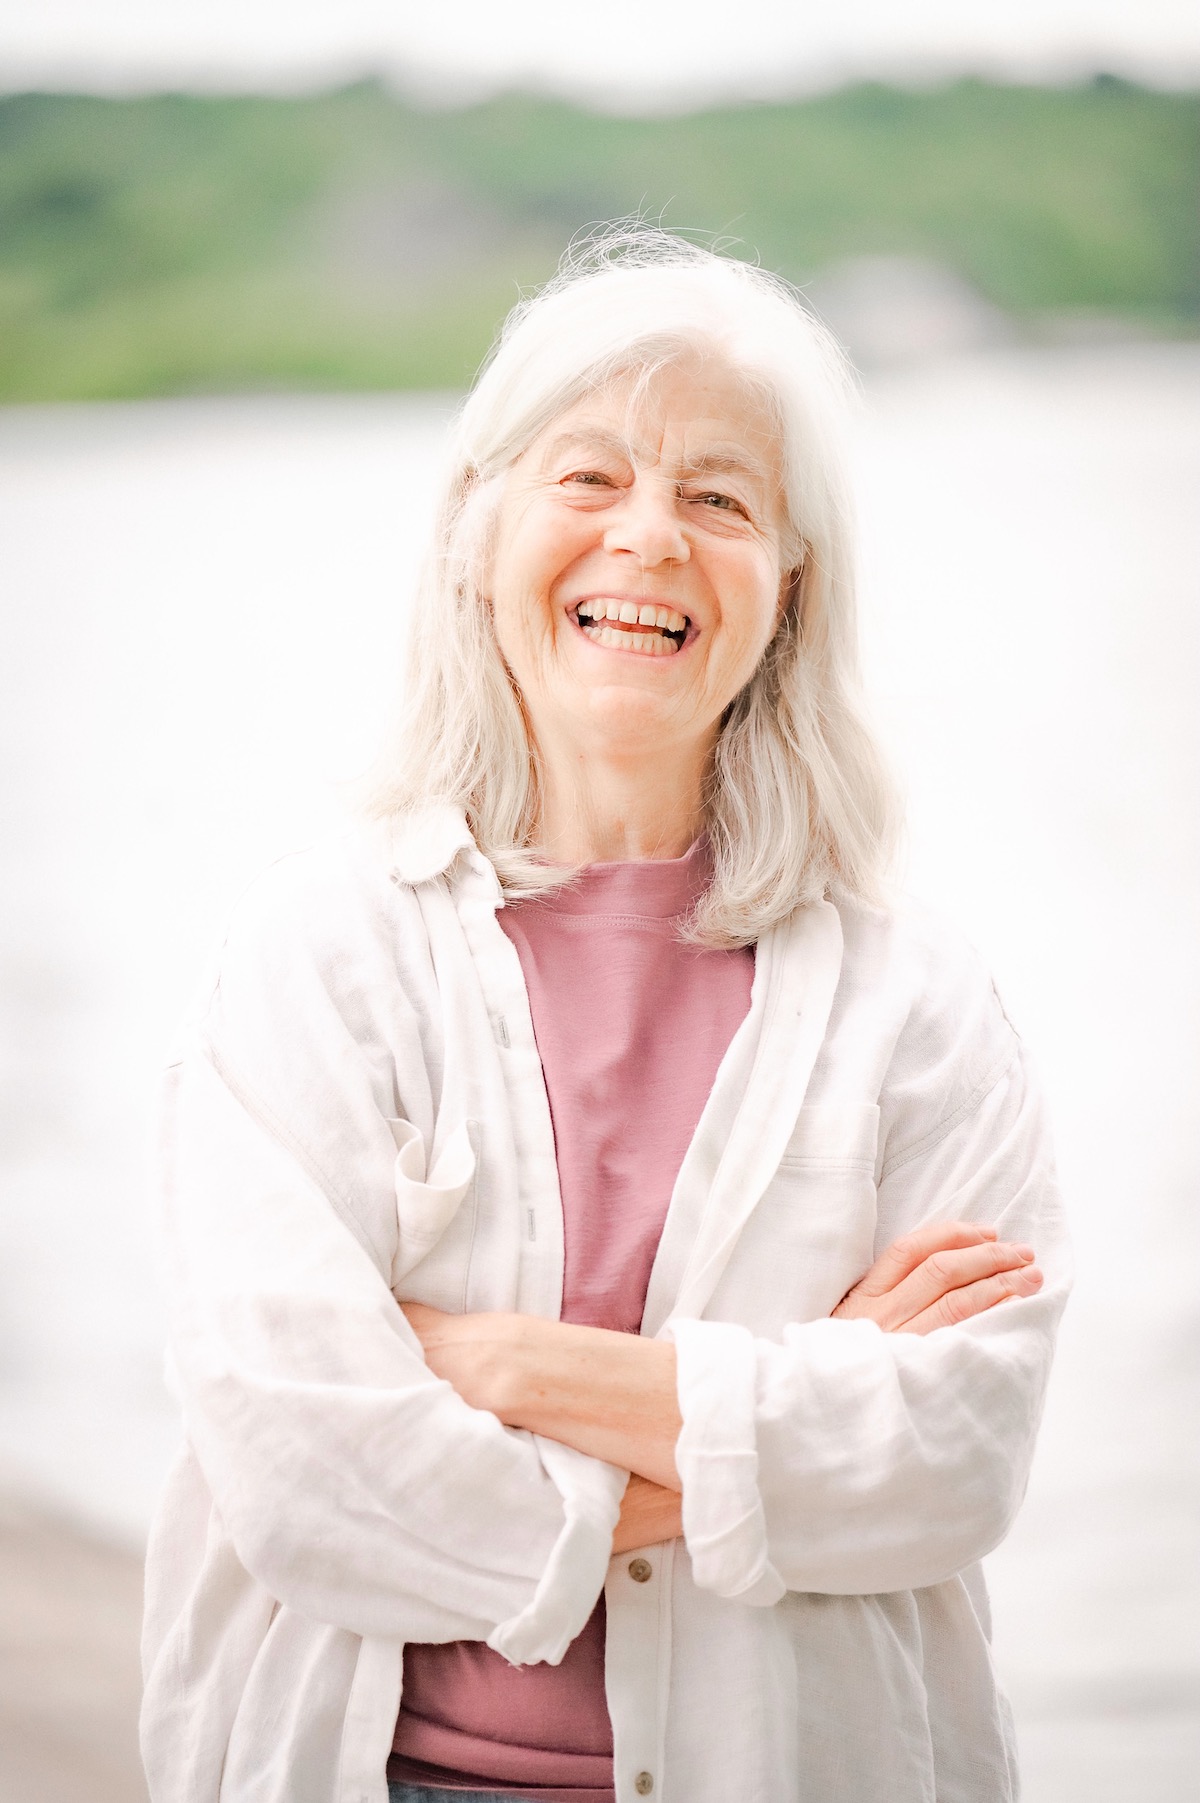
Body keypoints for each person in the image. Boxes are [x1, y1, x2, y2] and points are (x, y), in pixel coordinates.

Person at [141, 228, 1068, 1803]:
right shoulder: (311, 957)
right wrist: (788, 1418)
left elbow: (954, 1458)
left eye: (719, 497)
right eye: (589, 478)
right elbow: (310, 1482)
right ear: (476, 532)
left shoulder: (919, 997)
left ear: (788, 587)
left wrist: (495, 1366)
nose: (650, 537)